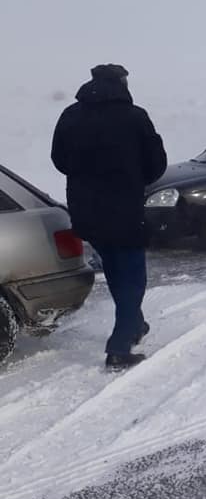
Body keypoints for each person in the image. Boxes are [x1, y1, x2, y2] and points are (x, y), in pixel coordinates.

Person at [51, 64, 167, 369]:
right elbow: (156, 164)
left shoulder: (70, 116)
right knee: (133, 277)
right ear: (122, 83)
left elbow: (59, 159)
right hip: (124, 209)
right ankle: (119, 347)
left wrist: (85, 175)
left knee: (116, 270)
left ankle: (135, 324)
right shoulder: (134, 117)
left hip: (86, 210)